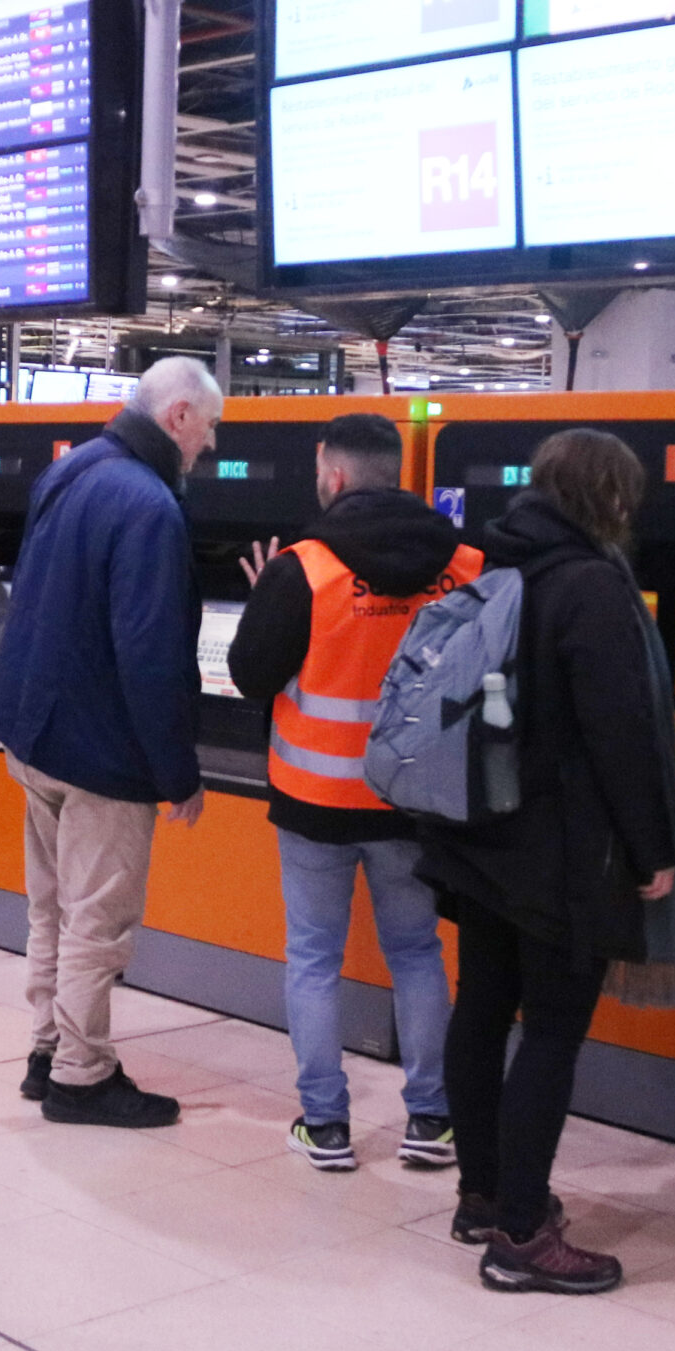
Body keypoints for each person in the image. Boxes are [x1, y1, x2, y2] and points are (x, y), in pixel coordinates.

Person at [417, 429, 675, 1296]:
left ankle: (482, 1196)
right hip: (560, 851)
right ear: (610, 499)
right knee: (552, 1032)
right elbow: (621, 734)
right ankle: (524, 1234)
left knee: (482, 1009)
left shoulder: (494, 564)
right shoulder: (590, 585)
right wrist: (652, 849)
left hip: (479, 835)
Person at [228, 412, 477, 1174]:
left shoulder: (301, 569)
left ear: (332, 474)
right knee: (417, 952)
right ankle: (431, 1118)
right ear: (395, 471)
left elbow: (249, 676)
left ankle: (326, 1125)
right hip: (415, 801)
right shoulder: (466, 563)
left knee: (313, 958)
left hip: (314, 799)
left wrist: (263, 602)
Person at [0, 357, 220, 1129]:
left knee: (51, 907)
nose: (210, 445)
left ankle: (47, 1047)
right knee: (97, 920)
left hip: (34, 733)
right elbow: (151, 654)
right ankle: (81, 1076)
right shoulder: (149, 504)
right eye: (209, 427)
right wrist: (177, 770)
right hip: (101, 753)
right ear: (179, 414)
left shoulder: (73, 468)